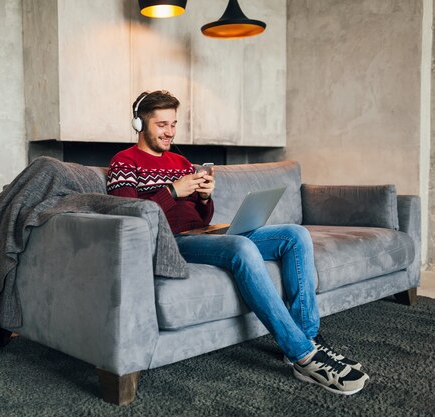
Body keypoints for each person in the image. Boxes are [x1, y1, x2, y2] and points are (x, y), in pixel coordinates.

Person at [106, 90, 370, 395]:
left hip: (204, 234)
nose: (170, 132)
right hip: (171, 242)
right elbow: (129, 217)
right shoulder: (123, 162)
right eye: (162, 124)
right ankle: (304, 356)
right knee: (241, 248)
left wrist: (204, 197)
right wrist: (173, 191)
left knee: (295, 236)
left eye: (174, 124)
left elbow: (202, 217)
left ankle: (307, 337)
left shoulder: (180, 161)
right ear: (140, 124)